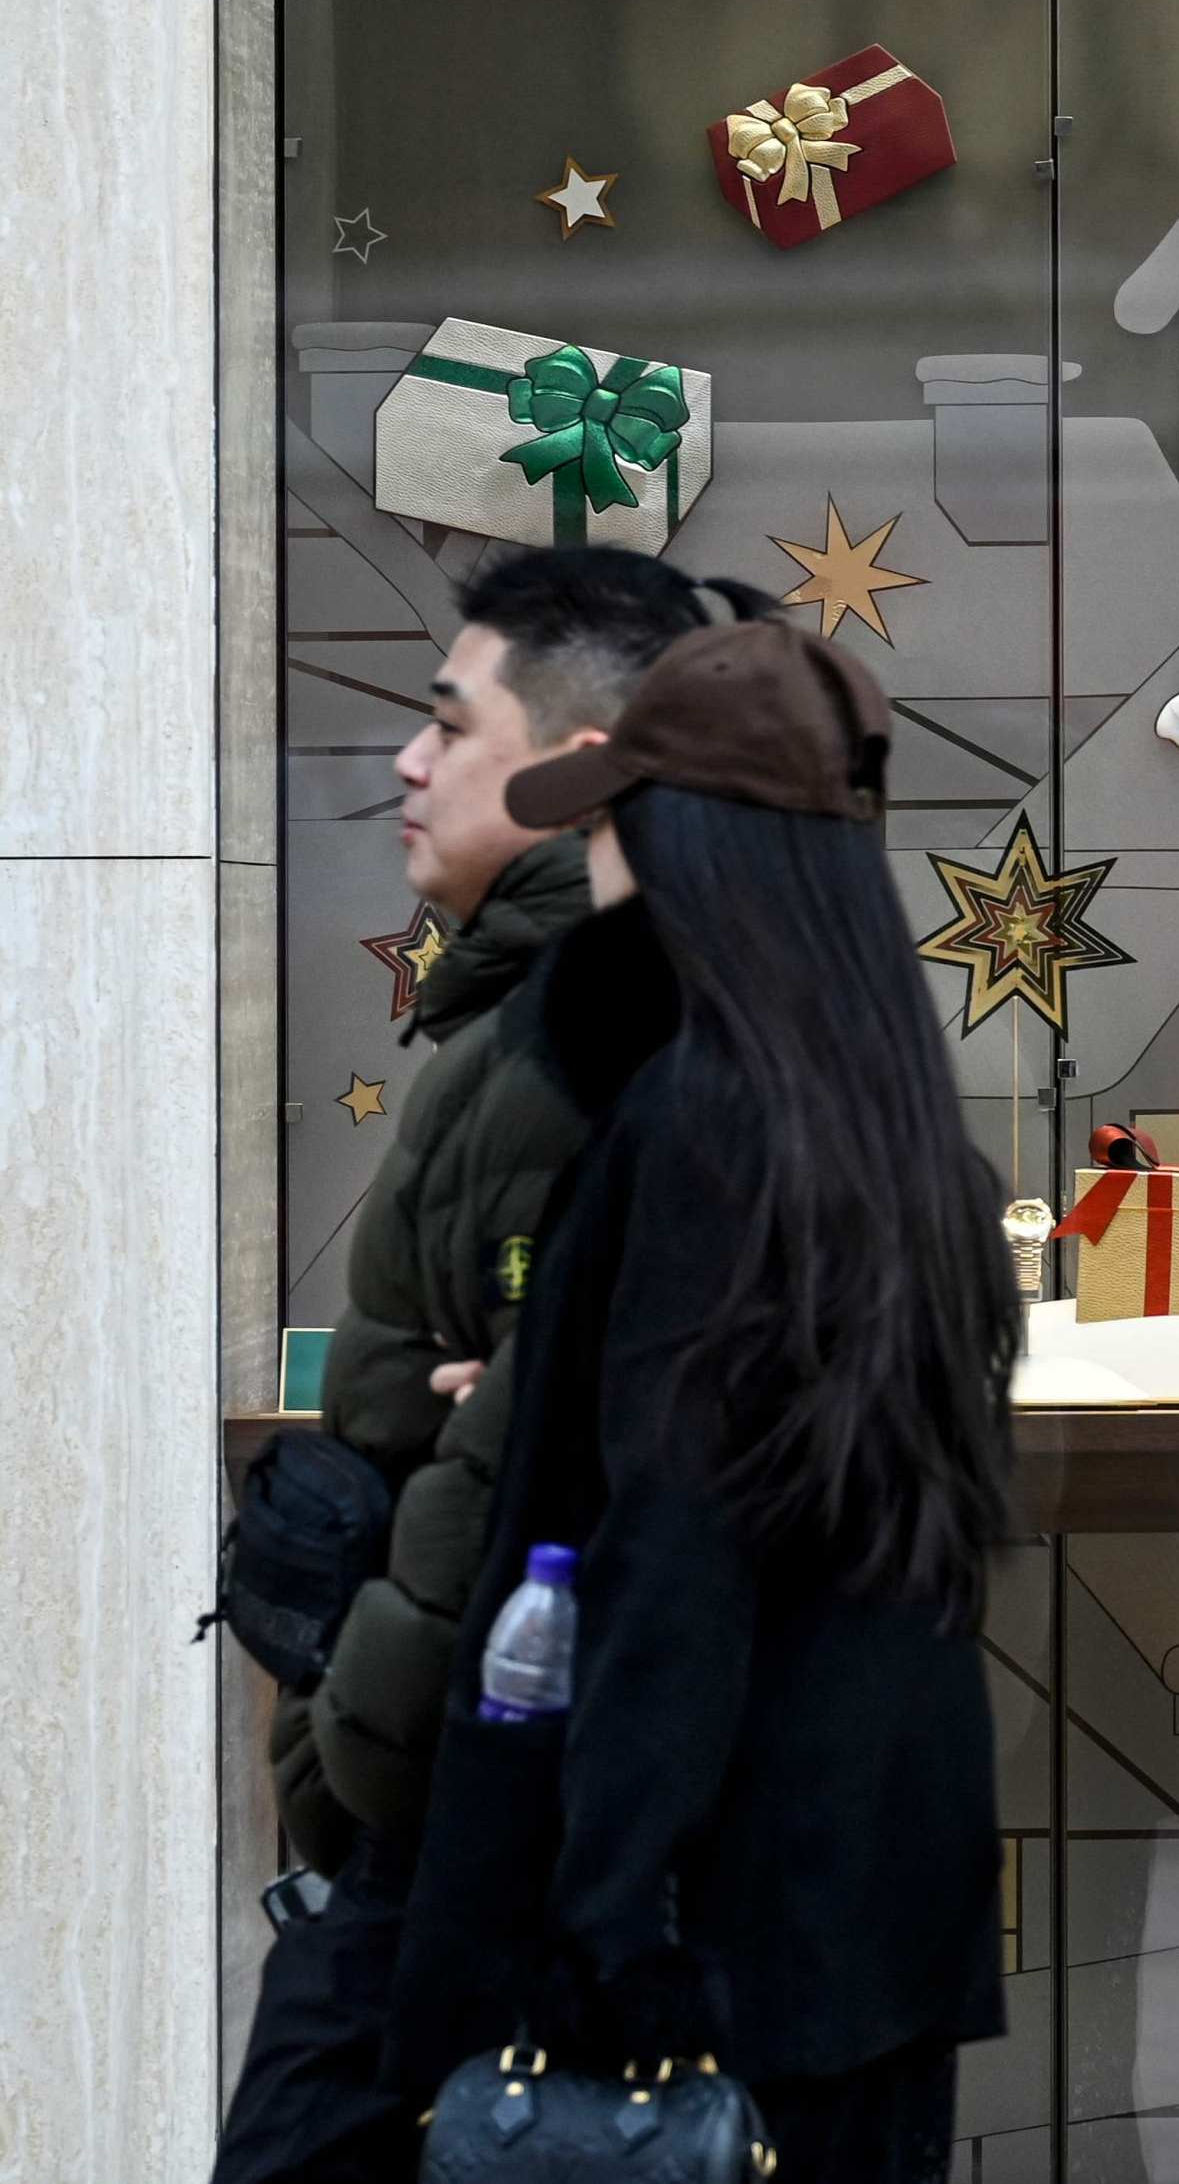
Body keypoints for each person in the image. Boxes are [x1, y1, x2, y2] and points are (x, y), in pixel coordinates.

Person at [391, 611, 1015, 2179]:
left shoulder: (706, 1125)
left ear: (682, 845)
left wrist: (602, 1924)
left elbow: (680, 1554)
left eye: (609, 825)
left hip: (713, 1945)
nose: (595, 869)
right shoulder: (907, 1143)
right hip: (878, 1916)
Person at [219, 546, 705, 2184]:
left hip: (461, 1874)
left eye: (452, 722)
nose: (410, 765)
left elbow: (511, 1492)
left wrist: (340, 1750)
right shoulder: (531, 1021)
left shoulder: (572, 1049)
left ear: (579, 771)